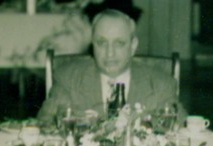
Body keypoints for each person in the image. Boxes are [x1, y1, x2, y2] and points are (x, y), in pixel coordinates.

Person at [37, 8, 181, 122]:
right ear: (92, 44)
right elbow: (44, 126)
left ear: (133, 46)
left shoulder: (160, 85)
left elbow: (182, 131)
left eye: (119, 43)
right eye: (101, 43)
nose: (109, 53)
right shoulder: (69, 80)